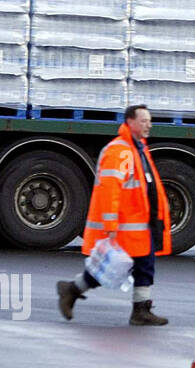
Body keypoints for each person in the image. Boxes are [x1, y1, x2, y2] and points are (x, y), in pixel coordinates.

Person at [57, 105, 172, 326]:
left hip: (139, 224)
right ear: (130, 122)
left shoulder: (137, 148)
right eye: (144, 121)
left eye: (150, 121)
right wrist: (110, 222)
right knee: (113, 267)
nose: (149, 125)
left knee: (140, 265)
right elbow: (110, 188)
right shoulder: (120, 151)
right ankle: (72, 290)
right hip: (127, 225)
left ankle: (139, 309)